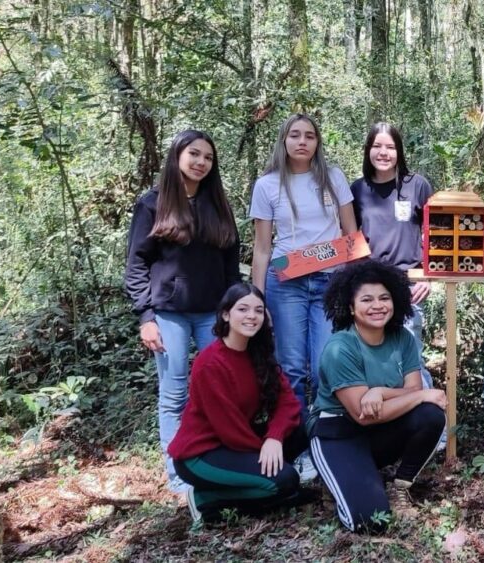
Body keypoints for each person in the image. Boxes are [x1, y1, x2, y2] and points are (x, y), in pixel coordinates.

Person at [124, 129, 240, 493]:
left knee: (219, 390)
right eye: (194, 154)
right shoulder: (152, 204)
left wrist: (232, 310)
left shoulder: (218, 204)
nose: (201, 162)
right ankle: (179, 477)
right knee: (174, 394)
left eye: (207, 157)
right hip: (169, 315)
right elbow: (136, 265)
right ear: (177, 156)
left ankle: (218, 461)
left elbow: (231, 265)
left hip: (213, 315)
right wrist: (146, 318)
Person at [308, 261, 448, 533]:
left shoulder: (403, 339)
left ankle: (400, 487)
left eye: (384, 298)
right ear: (351, 307)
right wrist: (417, 395)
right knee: (369, 522)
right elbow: (364, 415)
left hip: (378, 429)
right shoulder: (339, 348)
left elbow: (414, 391)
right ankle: (340, 475)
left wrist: (380, 391)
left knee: (430, 413)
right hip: (336, 432)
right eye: (367, 299)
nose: (377, 305)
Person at [167, 283, 312, 523]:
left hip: (236, 442)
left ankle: (266, 481)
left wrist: (274, 437)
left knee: (305, 423)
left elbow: (287, 401)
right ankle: (206, 501)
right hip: (201, 454)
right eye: (243, 309)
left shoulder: (257, 352)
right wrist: (265, 449)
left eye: (258, 310)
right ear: (226, 314)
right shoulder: (211, 363)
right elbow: (230, 430)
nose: (251, 316)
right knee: (286, 481)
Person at [250, 113, 359, 421]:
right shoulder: (267, 185)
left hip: (330, 281)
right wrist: (258, 300)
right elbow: (262, 248)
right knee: (292, 367)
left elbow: (351, 235)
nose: (302, 141)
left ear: (317, 142)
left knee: (325, 364)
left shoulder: (333, 177)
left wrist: (356, 285)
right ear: (284, 140)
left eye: (309, 136)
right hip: (285, 285)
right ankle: (293, 439)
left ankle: (324, 439)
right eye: (295, 135)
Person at [350, 122, 434, 391]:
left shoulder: (416, 185)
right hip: (370, 285)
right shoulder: (357, 189)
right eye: (377, 146)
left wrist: (429, 276)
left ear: (399, 151)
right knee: (374, 360)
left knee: (411, 360)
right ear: (368, 151)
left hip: (409, 283)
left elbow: (437, 234)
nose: (383, 152)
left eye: (390, 147)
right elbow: (349, 239)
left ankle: (433, 428)